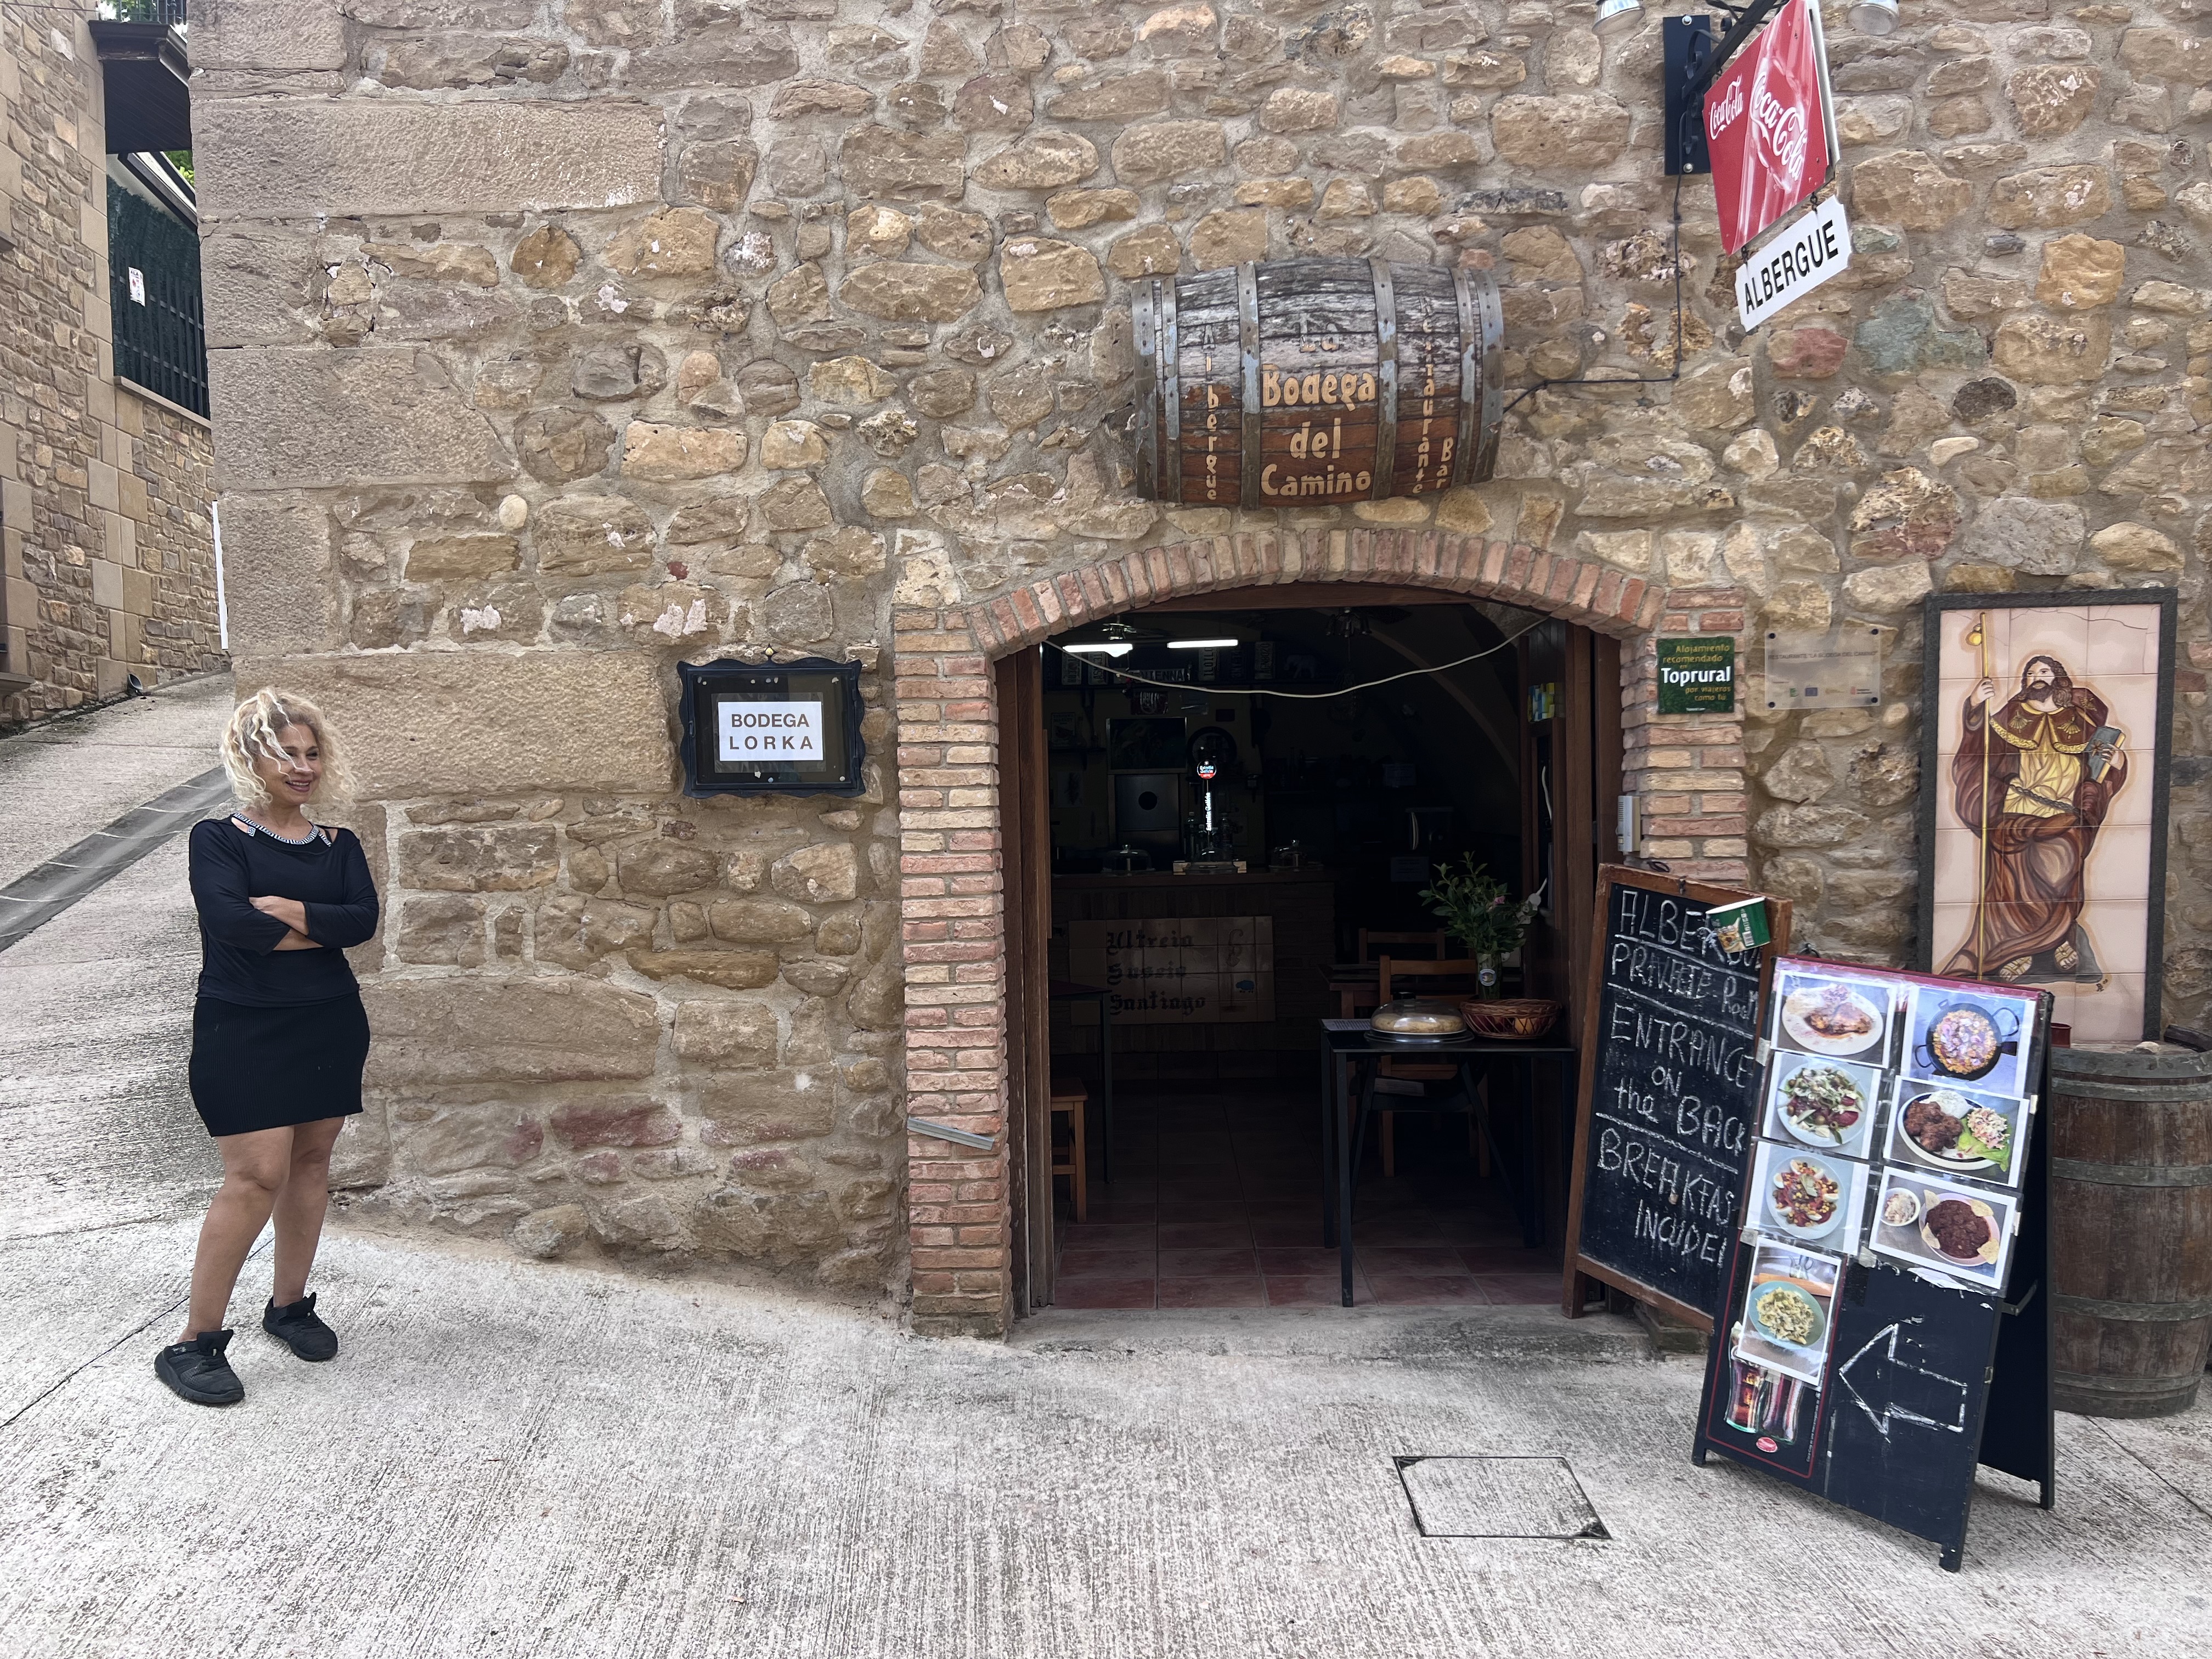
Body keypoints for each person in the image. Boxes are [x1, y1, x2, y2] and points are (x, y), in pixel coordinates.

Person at [155, 689, 379, 1407]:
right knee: (255, 1177)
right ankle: (194, 1342)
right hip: (243, 1026)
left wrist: (286, 911)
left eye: (313, 754)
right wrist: (318, 924)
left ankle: (288, 1306)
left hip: (329, 1022)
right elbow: (230, 923)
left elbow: (362, 923)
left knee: (312, 1162)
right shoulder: (216, 840)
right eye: (288, 754)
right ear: (252, 757)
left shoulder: (339, 846)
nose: (304, 766)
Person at [1943, 653, 2125, 985]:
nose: (2037, 676)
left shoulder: (2080, 720)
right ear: (2025, 682)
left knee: (2061, 875)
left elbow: (2101, 767)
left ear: (2058, 678)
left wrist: (2116, 762)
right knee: (2008, 886)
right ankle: (2017, 951)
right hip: (2016, 809)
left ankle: (2058, 938)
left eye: (2045, 671)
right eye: (2031, 673)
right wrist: (1975, 708)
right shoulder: (2010, 716)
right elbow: (1979, 750)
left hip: (2063, 813)